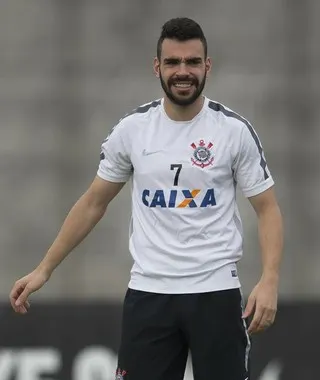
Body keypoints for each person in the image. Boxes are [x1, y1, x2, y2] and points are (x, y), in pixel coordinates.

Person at [10, 17, 283, 380]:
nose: (182, 71)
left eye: (192, 62)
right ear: (157, 67)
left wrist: (270, 279)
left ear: (207, 66)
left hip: (215, 292)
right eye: (172, 62)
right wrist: (44, 268)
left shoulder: (233, 131)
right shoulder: (133, 131)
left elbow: (267, 209)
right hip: (150, 293)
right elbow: (94, 202)